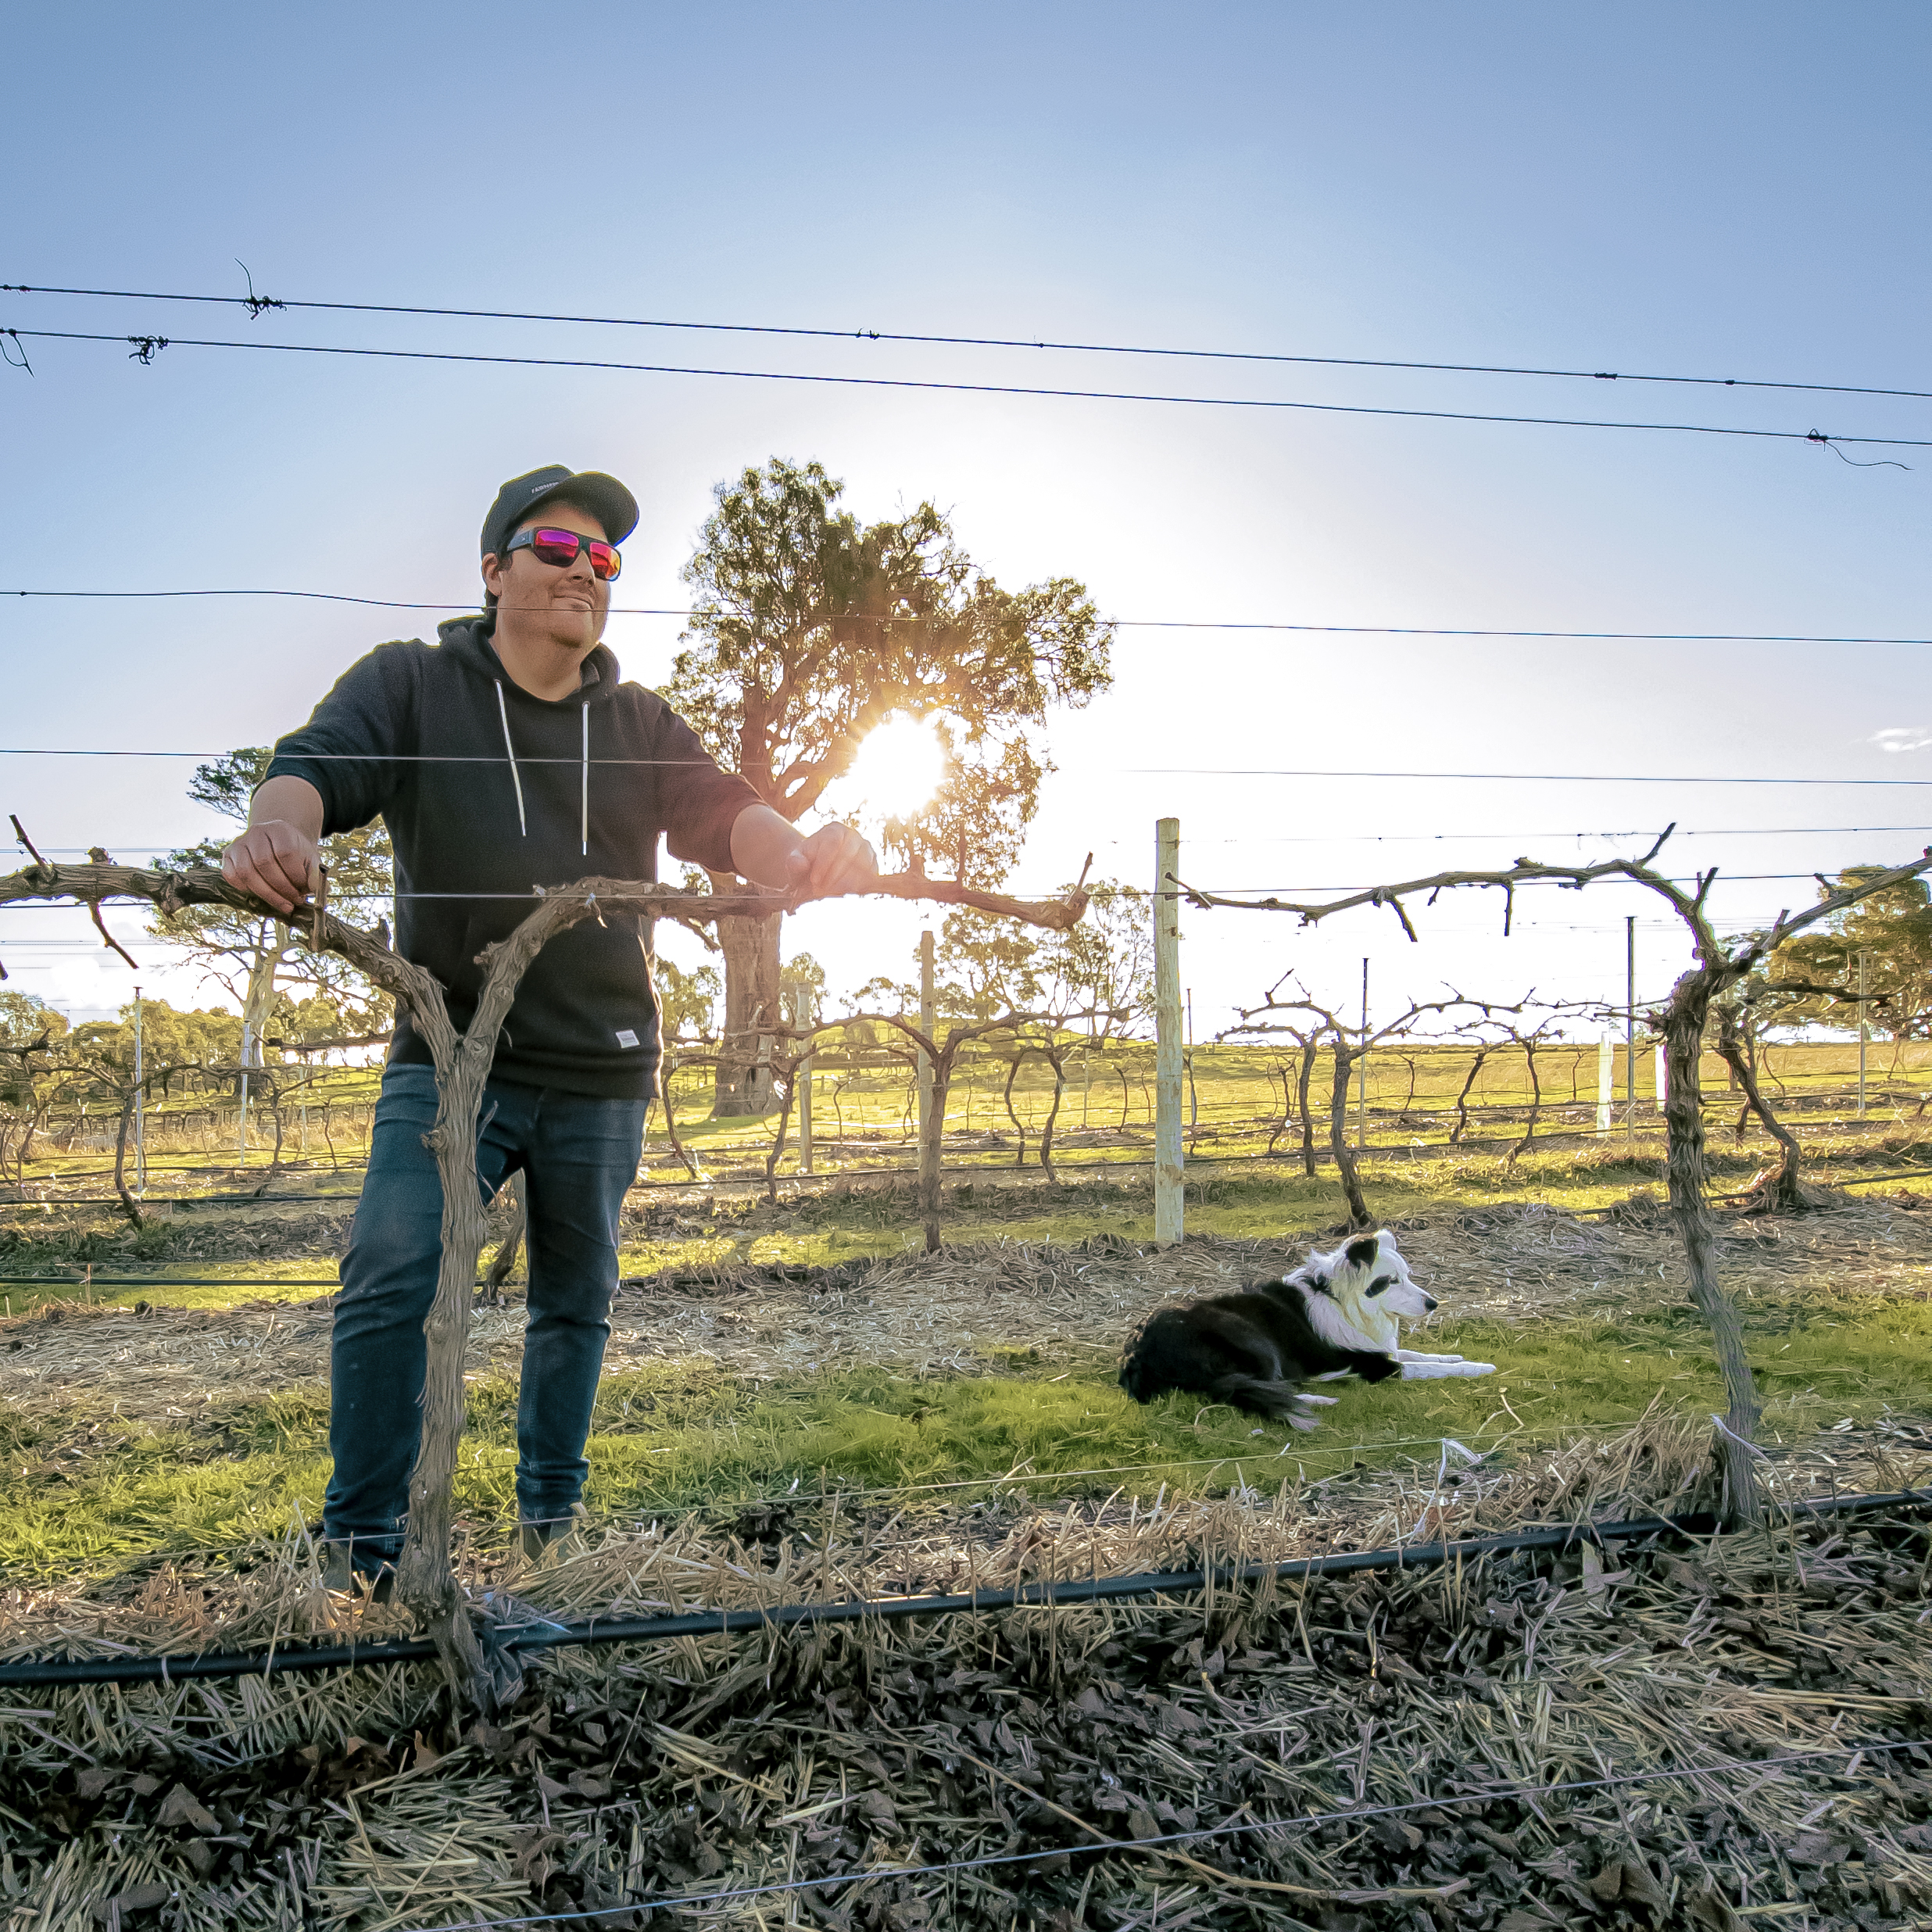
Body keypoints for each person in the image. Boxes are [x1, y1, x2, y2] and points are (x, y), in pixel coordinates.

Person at [223, 464, 875, 1592]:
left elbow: (726, 813)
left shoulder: (636, 722)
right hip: (451, 1054)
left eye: (607, 559)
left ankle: (550, 1536)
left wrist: (801, 854)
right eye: (558, 550)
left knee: (576, 1299)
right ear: (494, 572)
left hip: (602, 1065)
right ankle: (363, 1555)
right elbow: (312, 771)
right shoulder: (412, 688)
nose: (587, 571)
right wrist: (277, 834)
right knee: (393, 1272)